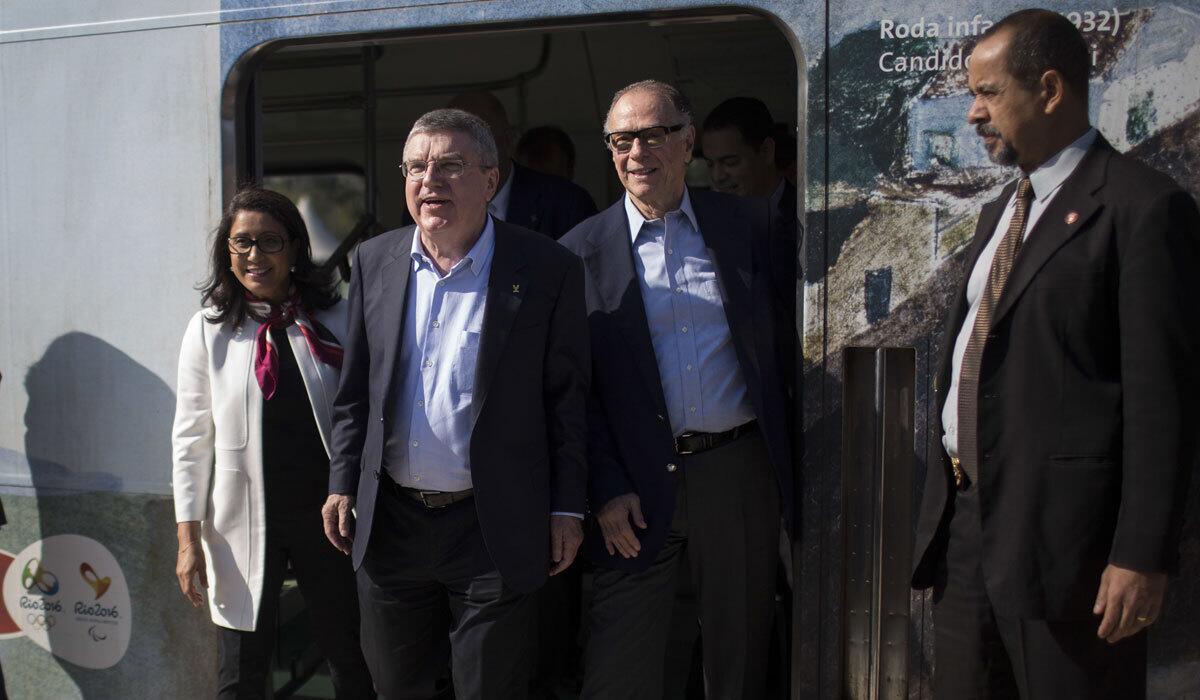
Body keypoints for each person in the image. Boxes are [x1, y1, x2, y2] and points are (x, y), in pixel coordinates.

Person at [911, 10, 1200, 699]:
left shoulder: (1141, 209)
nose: (973, 113)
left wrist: (1140, 556)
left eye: (988, 93)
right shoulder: (1000, 215)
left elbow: (1165, 402)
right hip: (969, 533)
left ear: (1049, 89)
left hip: (1071, 554)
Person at [320, 108, 590, 700]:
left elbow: (568, 400)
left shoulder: (546, 267)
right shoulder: (374, 260)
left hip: (491, 525)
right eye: (415, 167)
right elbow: (356, 392)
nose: (429, 180)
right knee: (396, 688)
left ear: (490, 180)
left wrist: (567, 506)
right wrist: (343, 481)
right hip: (391, 523)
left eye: (449, 165)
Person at [560, 80, 794, 699]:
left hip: (736, 471)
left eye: (651, 135)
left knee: (737, 660)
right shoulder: (577, 254)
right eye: (620, 140)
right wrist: (605, 488)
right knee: (621, 667)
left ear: (686, 142)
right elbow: (573, 393)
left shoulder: (747, 226)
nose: (635, 151)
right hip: (631, 491)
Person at [172, 186, 373, 699]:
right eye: (241, 244)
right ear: (227, 253)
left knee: (349, 658)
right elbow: (191, 439)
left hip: (329, 521)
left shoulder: (335, 320)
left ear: (295, 249)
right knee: (240, 672)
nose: (254, 256)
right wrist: (187, 538)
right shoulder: (209, 330)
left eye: (269, 242)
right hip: (242, 523)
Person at [702, 96, 801, 396]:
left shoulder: (806, 216)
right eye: (710, 164)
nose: (719, 176)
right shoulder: (704, 227)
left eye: (730, 162)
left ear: (767, 151)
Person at [449, 91, 598, 239]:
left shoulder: (566, 204)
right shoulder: (434, 206)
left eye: (477, 139)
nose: (463, 152)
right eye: (452, 141)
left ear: (508, 141)